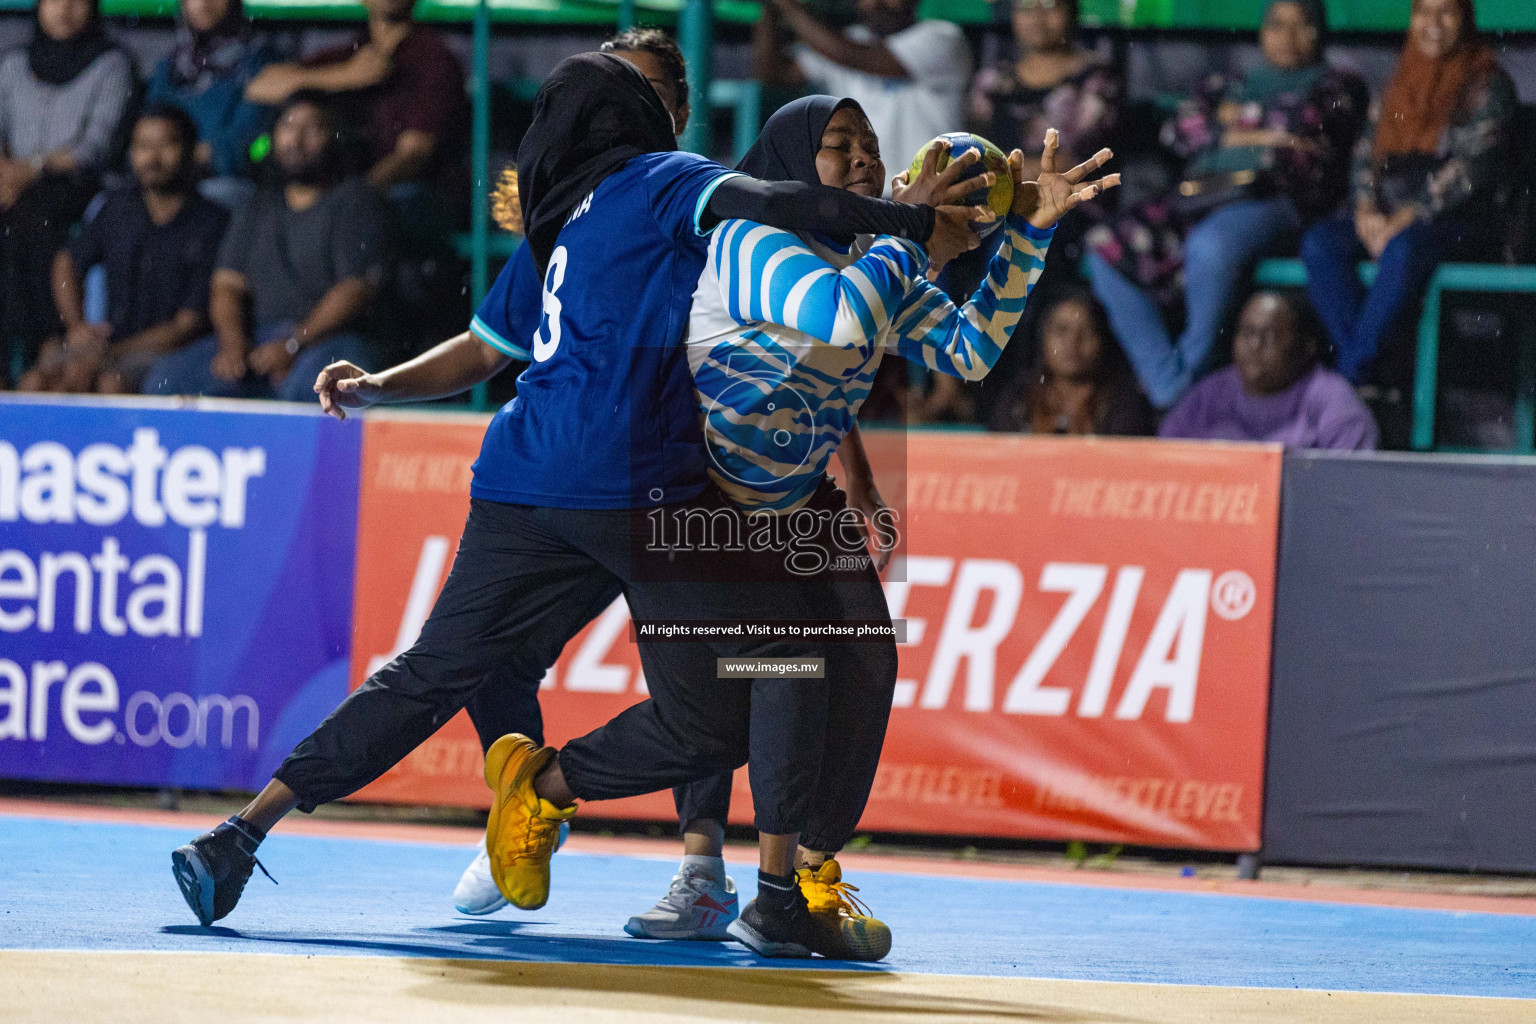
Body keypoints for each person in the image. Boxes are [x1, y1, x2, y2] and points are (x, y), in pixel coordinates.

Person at [169, 52, 987, 956]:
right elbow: (793, 214)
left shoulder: (558, 221)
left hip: (522, 477)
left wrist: (378, 389)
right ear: (639, 119)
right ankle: (696, 857)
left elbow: (491, 352)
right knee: (777, 657)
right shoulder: (670, 179)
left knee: (434, 671)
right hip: (638, 488)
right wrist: (906, 221)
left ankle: (241, 833)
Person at [1085, 0, 1367, 410]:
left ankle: (1190, 379)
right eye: (1276, 25)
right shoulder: (1226, 82)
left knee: (1210, 249)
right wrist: (1265, 132)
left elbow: (1302, 137)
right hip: (1201, 195)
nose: (1287, 36)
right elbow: (1179, 132)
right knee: (1105, 245)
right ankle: (1171, 385)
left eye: (1301, 25)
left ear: (1318, 32)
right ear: (1261, 32)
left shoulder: (1337, 84)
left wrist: (1230, 127)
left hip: (1274, 200)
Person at [1299, 0, 1514, 385]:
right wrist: (1365, 206)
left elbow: (1471, 170)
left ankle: (1350, 379)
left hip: (1457, 220)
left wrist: (1406, 215)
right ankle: (1366, 373)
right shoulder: (1398, 82)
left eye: (1445, 12)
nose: (1432, 24)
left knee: (1404, 249)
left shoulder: (1488, 83)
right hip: (1391, 214)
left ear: (1464, 18)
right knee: (1321, 243)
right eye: (1422, 12)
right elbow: (1367, 151)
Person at [143, 93, 393, 401]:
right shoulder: (256, 206)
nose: (296, 139)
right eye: (287, 127)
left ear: (334, 137)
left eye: (312, 128)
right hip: (260, 339)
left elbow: (354, 291)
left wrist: (293, 344)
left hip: (332, 340)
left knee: (309, 388)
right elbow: (227, 285)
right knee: (167, 380)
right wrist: (233, 343)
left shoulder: (357, 201)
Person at [18, 107, 227, 395]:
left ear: (191, 150)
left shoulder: (211, 221)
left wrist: (110, 355)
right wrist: (77, 327)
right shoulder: (118, 207)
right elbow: (67, 262)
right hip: (111, 345)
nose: (152, 158)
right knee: (35, 383)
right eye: (142, 146)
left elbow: (187, 325)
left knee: (110, 383)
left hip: (174, 352)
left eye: (166, 144)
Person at [0, 0, 135, 386]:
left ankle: (44, 343)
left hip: (77, 183)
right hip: (12, 185)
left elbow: (97, 146)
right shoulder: (13, 64)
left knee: (33, 220)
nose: (65, 9)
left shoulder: (111, 64)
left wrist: (33, 168)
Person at [244, 0, 468, 194]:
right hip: (339, 193)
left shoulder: (436, 62)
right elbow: (259, 88)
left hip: (404, 194)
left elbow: (414, 154)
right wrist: (347, 75)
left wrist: (354, 198)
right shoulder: (350, 54)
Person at [755, 0, 972, 192]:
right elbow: (773, 72)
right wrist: (770, 10)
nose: (877, 3)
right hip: (861, 193)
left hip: (927, 194)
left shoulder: (942, 37)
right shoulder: (846, 39)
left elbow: (852, 55)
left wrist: (790, 7)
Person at [1158, 291, 1377, 450]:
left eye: (1269, 335)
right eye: (1247, 332)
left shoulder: (1334, 403)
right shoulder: (1212, 393)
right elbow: (1163, 461)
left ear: (1305, 348)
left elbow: (1348, 493)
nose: (1254, 345)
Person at [144, 0, 283, 209]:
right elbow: (144, 133)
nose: (204, 3)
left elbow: (255, 144)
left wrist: (187, 157)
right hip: (166, 177)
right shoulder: (170, 66)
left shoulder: (259, 60)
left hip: (227, 183)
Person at [968, 0, 1121, 180]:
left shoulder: (1097, 79)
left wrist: (1000, 169)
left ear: (1073, 12)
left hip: (1074, 201)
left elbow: (1079, 162)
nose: (1037, 17)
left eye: (1050, 5)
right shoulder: (991, 81)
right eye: (1026, 6)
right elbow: (972, 156)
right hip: (997, 201)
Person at [987, 289, 1151, 435]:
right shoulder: (1018, 399)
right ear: (1043, 337)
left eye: (1086, 331)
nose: (1073, 343)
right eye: (1061, 330)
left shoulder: (1122, 404)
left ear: (1102, 341)